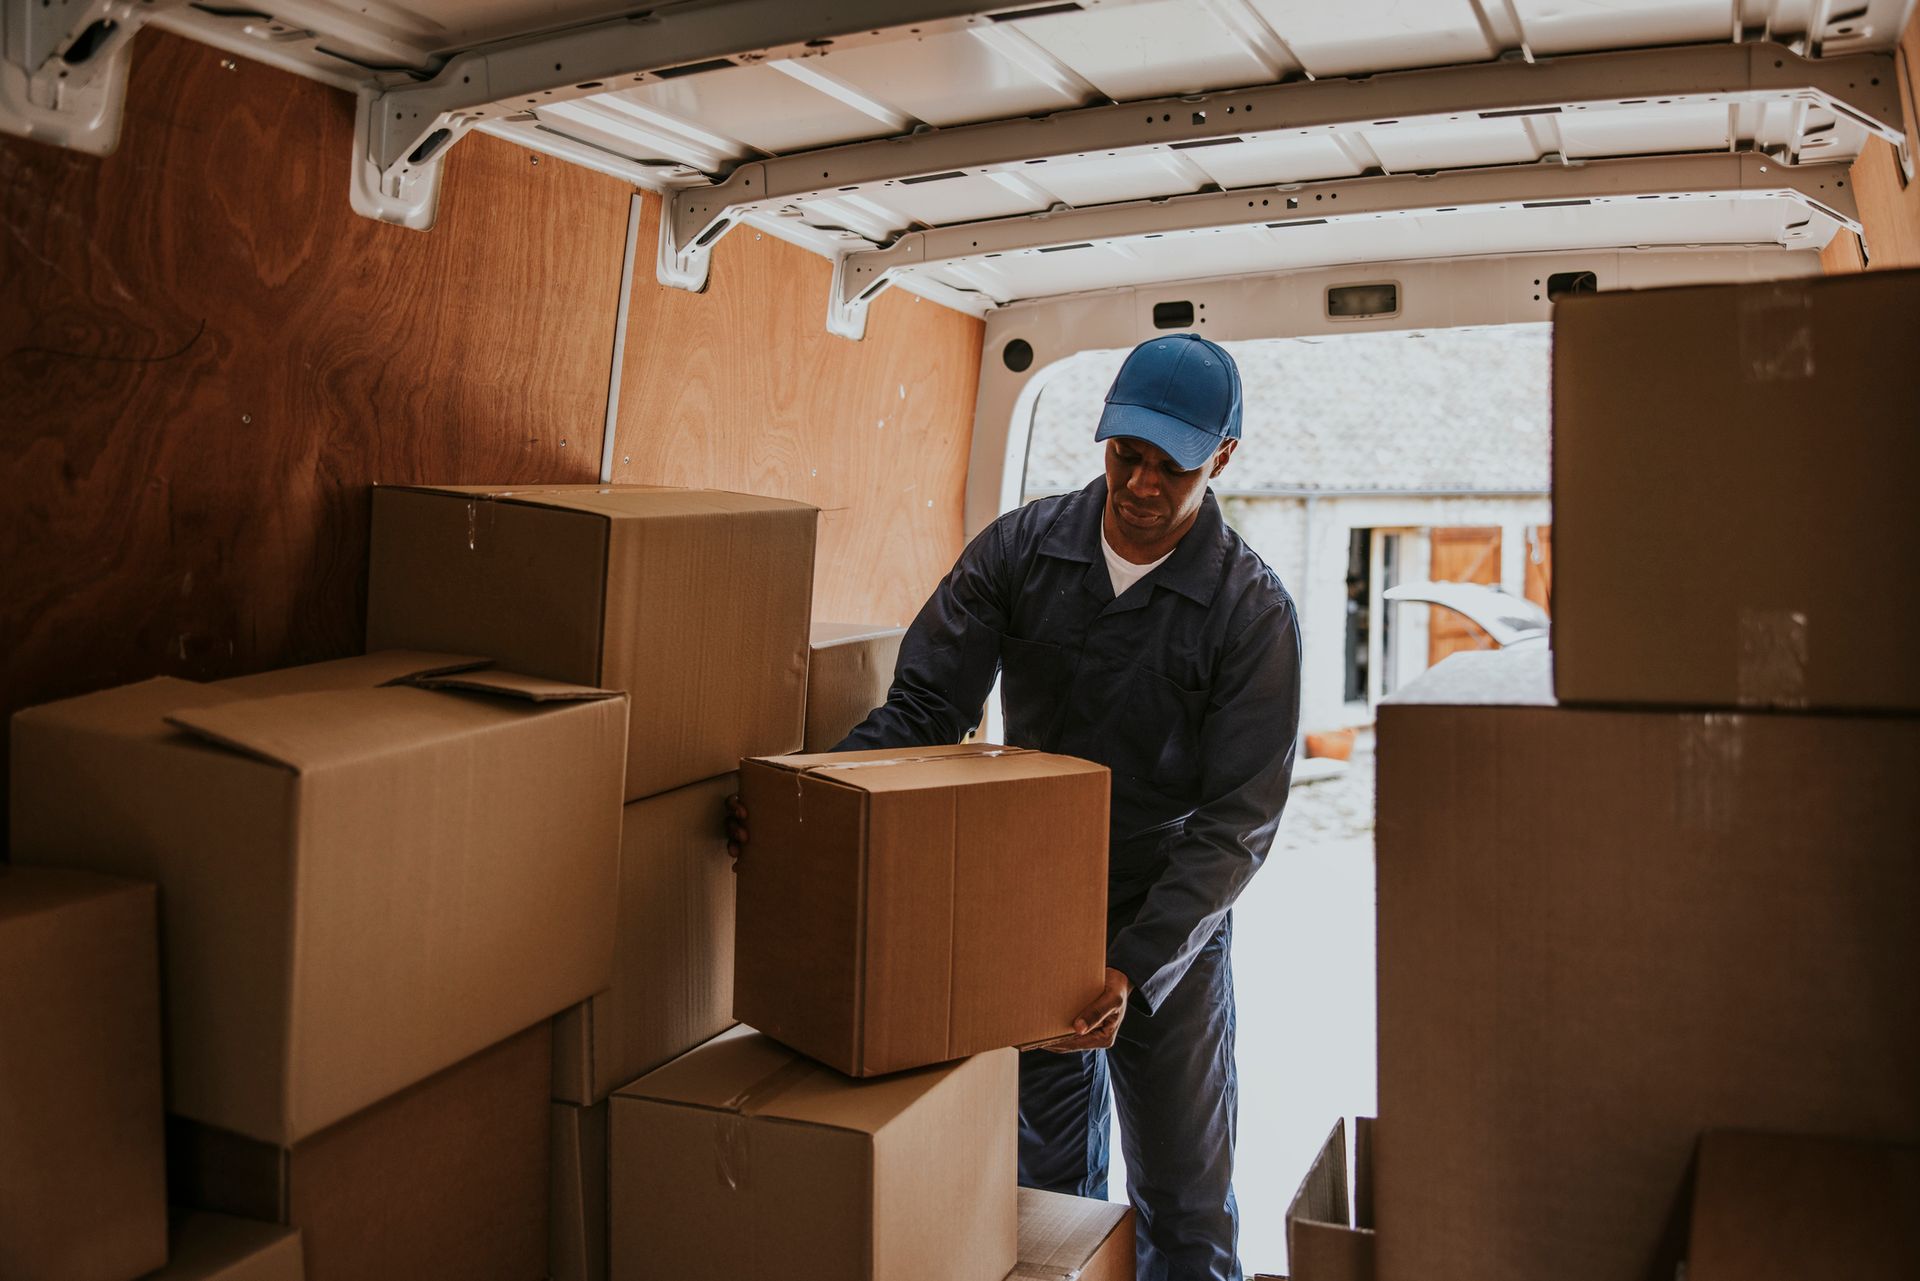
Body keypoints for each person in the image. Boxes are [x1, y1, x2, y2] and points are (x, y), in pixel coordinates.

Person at [728, 332, 1301, 1281]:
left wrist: (1133, 964)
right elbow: (923, 711)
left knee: (1186, 1202)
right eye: (1127, 455)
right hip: (1032, 910)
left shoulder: (1251, 612)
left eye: (1172, 465)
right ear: (1104, 438)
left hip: (1169, 924)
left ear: (1224, 458)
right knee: (1045, 1187)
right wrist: (804, 802)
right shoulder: (1023, 549)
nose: (1143, 484)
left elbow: (1238, 820)